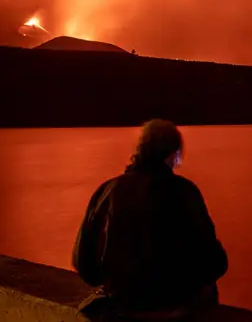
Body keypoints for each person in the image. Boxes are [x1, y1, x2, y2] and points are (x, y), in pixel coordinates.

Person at [73, 119, 228, 319]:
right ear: (172, 153)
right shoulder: (184, 192)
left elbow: (83, 262)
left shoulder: (107, 192)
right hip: (173, 307)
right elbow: (213, 261)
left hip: (121, 304)